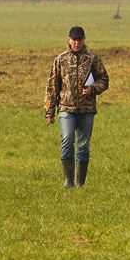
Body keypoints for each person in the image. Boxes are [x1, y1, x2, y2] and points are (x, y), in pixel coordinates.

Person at [44, 25, 110, 188]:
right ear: (69, 39)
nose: (77, 43)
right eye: (74, 39)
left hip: (87, 109)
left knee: (83, 146)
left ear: (84, 40)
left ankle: (80, 183)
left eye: (80, 39)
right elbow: (52, 86)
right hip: (66, 108)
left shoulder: (93, 59)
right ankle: (68, 181)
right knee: (67, 140)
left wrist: (93, 88)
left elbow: (104, 80)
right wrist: (49, 110)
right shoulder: (60, 60)